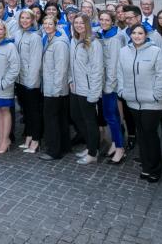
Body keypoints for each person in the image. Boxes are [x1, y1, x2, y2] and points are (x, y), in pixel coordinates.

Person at [117, 24, 162, 183]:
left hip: (152, 104)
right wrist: (122, 92)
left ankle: (155, 169)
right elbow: (119, 73)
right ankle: (146, 167)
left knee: (150, 135)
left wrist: (156, 95)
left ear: (146, 35)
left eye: (140, 33)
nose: (137, 36)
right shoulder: (124, 51)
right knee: (142, 135)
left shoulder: (155, 52)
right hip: (132, 101)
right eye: (134, 33)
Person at [69, 14, 103, 165]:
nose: (78, 25)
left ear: (87, 24)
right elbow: (71, 64)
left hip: (88, 89)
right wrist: (70, 79)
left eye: (81, 23)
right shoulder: (74, 40)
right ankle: (90, 146)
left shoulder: (93, 43)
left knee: (90, 121)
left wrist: (94, 93)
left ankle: (93, 153)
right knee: (76, 117)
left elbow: (97, 69)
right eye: (76, 22)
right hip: (76, 87)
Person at [97, 11, 127, 164]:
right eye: (101, 19)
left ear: (113, 21)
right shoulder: (102, 34)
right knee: (112, 116)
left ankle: (120, 148)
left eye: (106, 20)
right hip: (104, 82)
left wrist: (110, 85)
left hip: (111, 84)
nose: (103, 22)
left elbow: (114, 65)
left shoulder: (115, 38)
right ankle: (116, 143)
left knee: (112, 117)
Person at [39, 16, 70, 161]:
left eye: (50, 23)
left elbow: (61, 69)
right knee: (60, 118)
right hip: (51, 86)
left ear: (56, 25)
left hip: (55, 89)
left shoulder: (60, 43)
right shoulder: (48, 38)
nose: (47, 26)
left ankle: (54, 151)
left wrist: (56, 89)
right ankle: (63, 146)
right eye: (45, 23)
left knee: (51, 119)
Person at [0, 20, 20, 154]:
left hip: (4, 86)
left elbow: (15, 67)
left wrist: (4, 82)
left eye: (1, 29)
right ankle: (1, 139)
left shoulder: (10, 46)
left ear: (5, 30)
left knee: (5, 111)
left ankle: (6, 140)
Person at [15, 9, 44, 154]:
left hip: (30, 82)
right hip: (19, 80)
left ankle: (36, 140)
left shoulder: (35, 37)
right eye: (22, 18)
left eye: (28, 18)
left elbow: (35, 62)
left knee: (34, 112)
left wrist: (31, 84)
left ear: (33, 20)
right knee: (26, 112)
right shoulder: (18, 34)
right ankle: (29, 136)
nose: (25, 20)